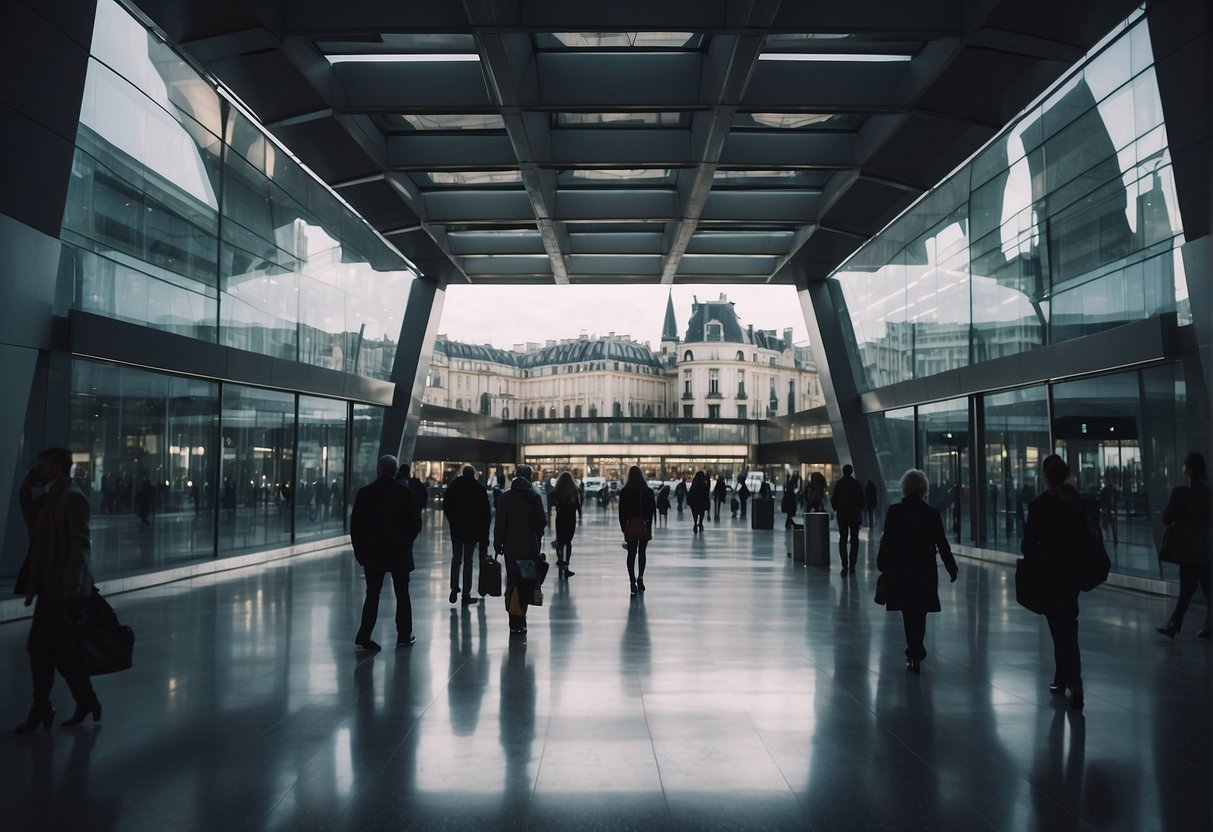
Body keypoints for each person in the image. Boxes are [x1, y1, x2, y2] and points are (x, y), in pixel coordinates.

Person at [14, 447, 101, 733]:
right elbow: (31, 520)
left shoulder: (72, 498)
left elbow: (80, 542)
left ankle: (44, 706)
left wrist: (72, 579)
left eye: (43, 466)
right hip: (51, 585)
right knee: (56, 650)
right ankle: (83, 699)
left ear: (58, 468)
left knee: (41, 647)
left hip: (64, 588)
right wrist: (26, 487)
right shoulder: (52, 498)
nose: (39, 471)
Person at [1021, 455, 1087, 709]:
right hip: (1073, 574)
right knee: (1068, 623)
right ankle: (1062, 679)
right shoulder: (1076, 503)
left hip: (1049, 575)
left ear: (1045, 476)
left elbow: (1028, 544)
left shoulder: (1040, 506)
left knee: (1061, 631)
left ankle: (1074, 681)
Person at [877, 468, 958, 673]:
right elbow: (942, 543)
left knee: (907, 609)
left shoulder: (894, 511)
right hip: (924, 568)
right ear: (924, 489)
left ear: (904, 488)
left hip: (901, 568)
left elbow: (888, 540)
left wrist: (882, 562)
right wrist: (950, 566)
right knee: (920, 610)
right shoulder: (931, 513)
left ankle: (912, 649)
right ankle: (916, 648)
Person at [350, 455, 422, 651]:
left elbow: (356, 526)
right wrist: (405, 543)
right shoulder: (405, 493)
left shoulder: (365, 493)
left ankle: (364, 635)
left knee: (372, 594)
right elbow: (415, 524)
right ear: (396, 470)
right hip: (399, 553)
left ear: (379, 469)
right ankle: (404, 635)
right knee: (402, 594)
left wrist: (360, 551)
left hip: (373, 553)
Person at [1156, 452, 1210, 639]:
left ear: (1188, 469)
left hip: (1187, 548)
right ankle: (1182, 622)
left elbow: (1167, 518)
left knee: (1189, 586)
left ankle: (1174, 623)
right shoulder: (1208, 493)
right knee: (1203, 586)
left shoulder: (1181, 492)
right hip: (1205, 546)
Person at [495, 465, 547, 635]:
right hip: (530, 547)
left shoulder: (505, 497)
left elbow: (500, 524)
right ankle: (522, 617)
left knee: (512, 582)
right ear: (529, 478)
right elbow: (542, 522)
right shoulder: (534, 497)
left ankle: (513, 620)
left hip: (511, 547)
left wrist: (498, 543)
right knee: (527, 581)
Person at [442, 465, 490, 605]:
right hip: (472, 530)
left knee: (456, 558)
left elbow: (446, 505)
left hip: (456, 529)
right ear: (474, 474)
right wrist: (483, 532)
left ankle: (454, 586)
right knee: (468, 560)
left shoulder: (454, 487)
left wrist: (452, 520)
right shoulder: (478, 489)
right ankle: (466, 594)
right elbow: (485, 513)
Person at [618, 466, 657, 596]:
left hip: (630, 526)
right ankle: (640, 577)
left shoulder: (624, 492)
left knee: (631, 554)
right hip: (643, 526)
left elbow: (621, 513)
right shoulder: (647, 491)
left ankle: (632, 581)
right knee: (642, 552)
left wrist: (624, 528)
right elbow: (651, 511)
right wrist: (648, 525)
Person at [831, 464, 866, 574]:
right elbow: (862, 500)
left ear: (843, 471)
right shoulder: (857, 484)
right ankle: (852, 565)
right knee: (855, 540)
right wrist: (858, 509)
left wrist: (838, 509)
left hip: (842, 516)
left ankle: (844, 564)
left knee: (843, 539)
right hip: (855, 516)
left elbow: (834, 500)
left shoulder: (839, 484)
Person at [551, 472, 582, 579]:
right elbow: (578, 505)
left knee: (559, 541)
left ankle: (560, 560)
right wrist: (580, 516)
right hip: (570, 519)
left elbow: (552, 503)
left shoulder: (557, 491)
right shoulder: (574, 490)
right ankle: (566, 565)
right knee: (568, 542)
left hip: (560, 518)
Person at [1099, 475, 1120, 545]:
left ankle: (1114, 538)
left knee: (1110, 523)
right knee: (1110, 523)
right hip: (1109, 508)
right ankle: (1114, 538)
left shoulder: (1108, 490)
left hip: (1109, 508)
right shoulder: (1111, 490)